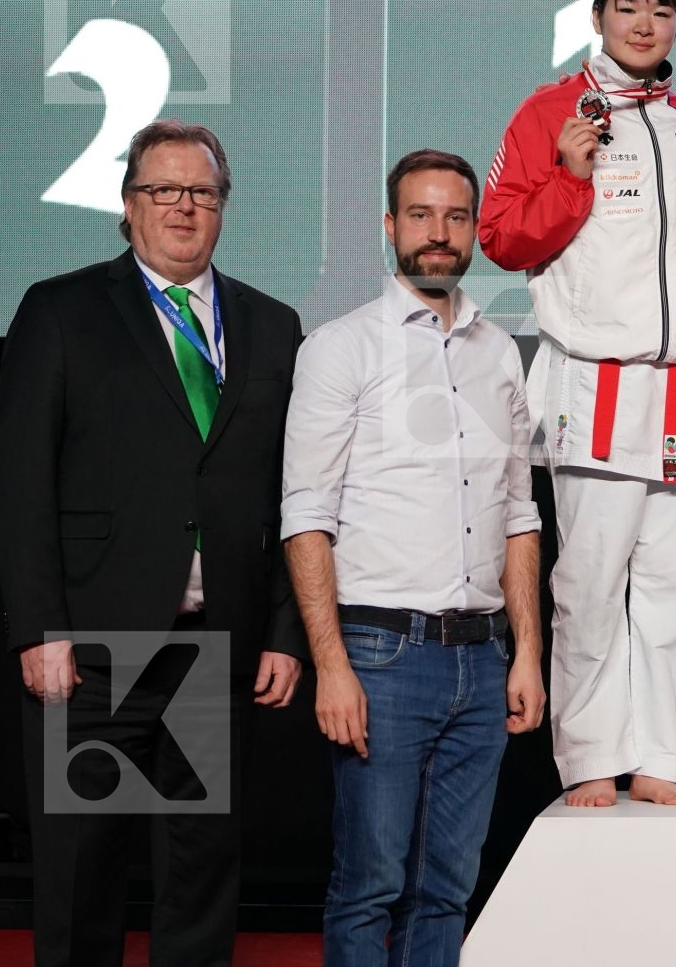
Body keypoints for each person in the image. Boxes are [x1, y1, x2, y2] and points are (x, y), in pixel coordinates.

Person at [0, 118, 306, 967]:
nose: (182, 207)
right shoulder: (62, 310)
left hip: (216, 644)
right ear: (127, 206)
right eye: (161, 190)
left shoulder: (273, 327)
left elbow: (291, 493)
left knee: (201, 874)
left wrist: (281, 631)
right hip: (95, 645)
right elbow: (18, 483)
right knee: (83, 871)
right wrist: (37, 628)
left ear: (223, 208)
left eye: (200, 192)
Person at [478, 0, 676, 807]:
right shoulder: (549, 112)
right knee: (588, 585)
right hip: (597, 384)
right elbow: (502, 237)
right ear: (598, 16)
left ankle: (662, 758)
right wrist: (567, 177)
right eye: (629, 9)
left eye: (662, 12)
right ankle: (589, 759)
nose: (644, 25)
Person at [281, 149, 544, 965]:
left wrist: (528, 651)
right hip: (380, 657)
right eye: (422, 216)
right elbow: (305, 516)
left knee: (449, 889)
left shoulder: (499, 352)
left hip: (482, 658)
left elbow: (519, 514)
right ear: (390, 228)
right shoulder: (339, 348)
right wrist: (331, 665)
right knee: (368, 887)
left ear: (473, 230)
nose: (440, 234)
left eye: (457, 217)